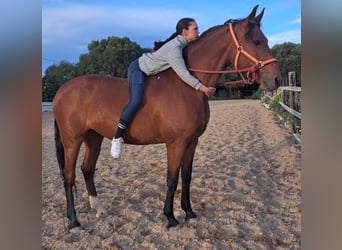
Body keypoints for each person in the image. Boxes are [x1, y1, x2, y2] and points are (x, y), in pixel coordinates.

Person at [111, 17, 216, 158]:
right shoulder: (175, 47)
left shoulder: (184, 44)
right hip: (139, 69)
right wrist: (202, 88)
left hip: (154, 70)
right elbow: (183, 73)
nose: (198, 31)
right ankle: (117, 137)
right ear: (185, 32)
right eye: (195, 29)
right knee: (136, 100)